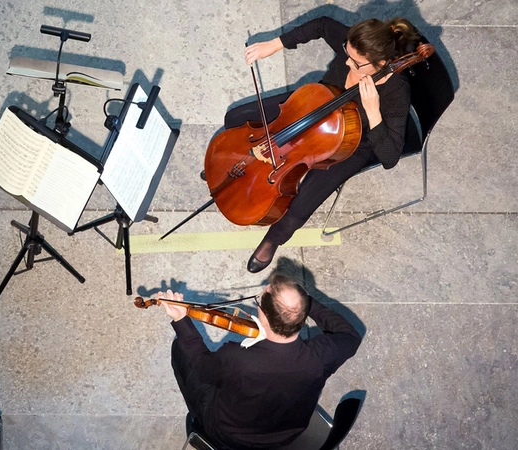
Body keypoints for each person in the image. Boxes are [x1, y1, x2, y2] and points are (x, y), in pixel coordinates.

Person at [231, 16, 421, 273]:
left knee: (301, 203)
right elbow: (322, 25)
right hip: (316, 105)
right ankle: (233, 160)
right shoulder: (355, 47)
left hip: (352, 143)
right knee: (237, 117)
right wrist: (275, 44)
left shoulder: (397, 91)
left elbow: (389, 157)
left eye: (355, 62)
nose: (346, 61)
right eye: (347, 52)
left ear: (381, 63)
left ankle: (272, 240)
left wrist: (374, 112)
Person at [159, 273, 362, 449]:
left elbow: (204, 370)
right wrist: (301, 303)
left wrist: (182, 320)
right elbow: (351, 336)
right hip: (288, 436)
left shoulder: (236, 357)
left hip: (228, 436)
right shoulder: (322, 356)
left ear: (263, 316)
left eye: (259, 300)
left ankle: (198, 421)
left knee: (182, 349)